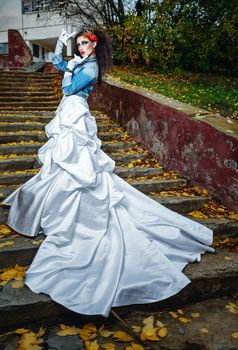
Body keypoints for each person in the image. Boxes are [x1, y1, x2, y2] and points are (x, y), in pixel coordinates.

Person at [2, 28, 214, 317]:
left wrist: (72, 65)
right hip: (67, 114)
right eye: (77, 44)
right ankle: (54, 205)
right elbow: (59, 63)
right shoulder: (79, 61)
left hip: (76, 114)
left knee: (80, 165)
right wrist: (62, 44)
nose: (80, 47)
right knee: (62, 163)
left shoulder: (91, 67)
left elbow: (68, 88)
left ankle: (81, 214)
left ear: (94, 44)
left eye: (83, 43)